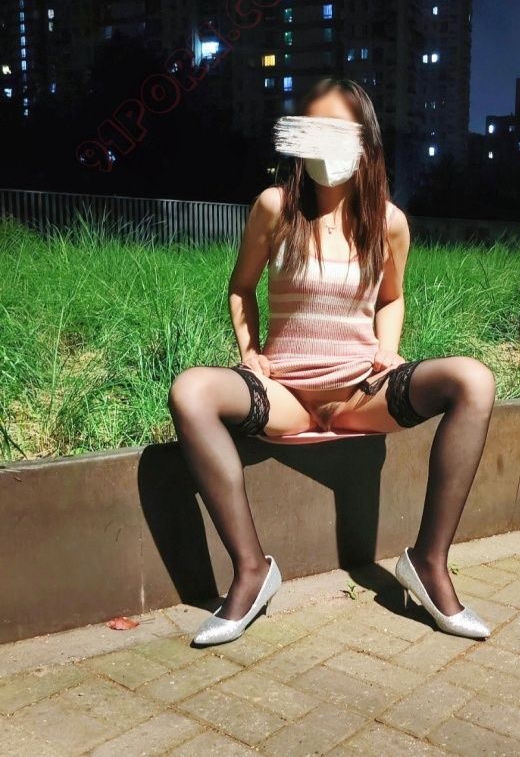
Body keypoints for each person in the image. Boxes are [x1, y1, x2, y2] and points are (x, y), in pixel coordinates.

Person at [168, 77, 496, 646]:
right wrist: (250, 355)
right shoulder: (275, 207)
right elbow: (241, 287)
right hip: (285, 395)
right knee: (190, 390)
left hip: (360, 393)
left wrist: (388, 348)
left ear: (366, 140)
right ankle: (252, 571)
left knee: (475, 379)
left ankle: (428, 564)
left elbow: (391, 297)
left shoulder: (388, 221)